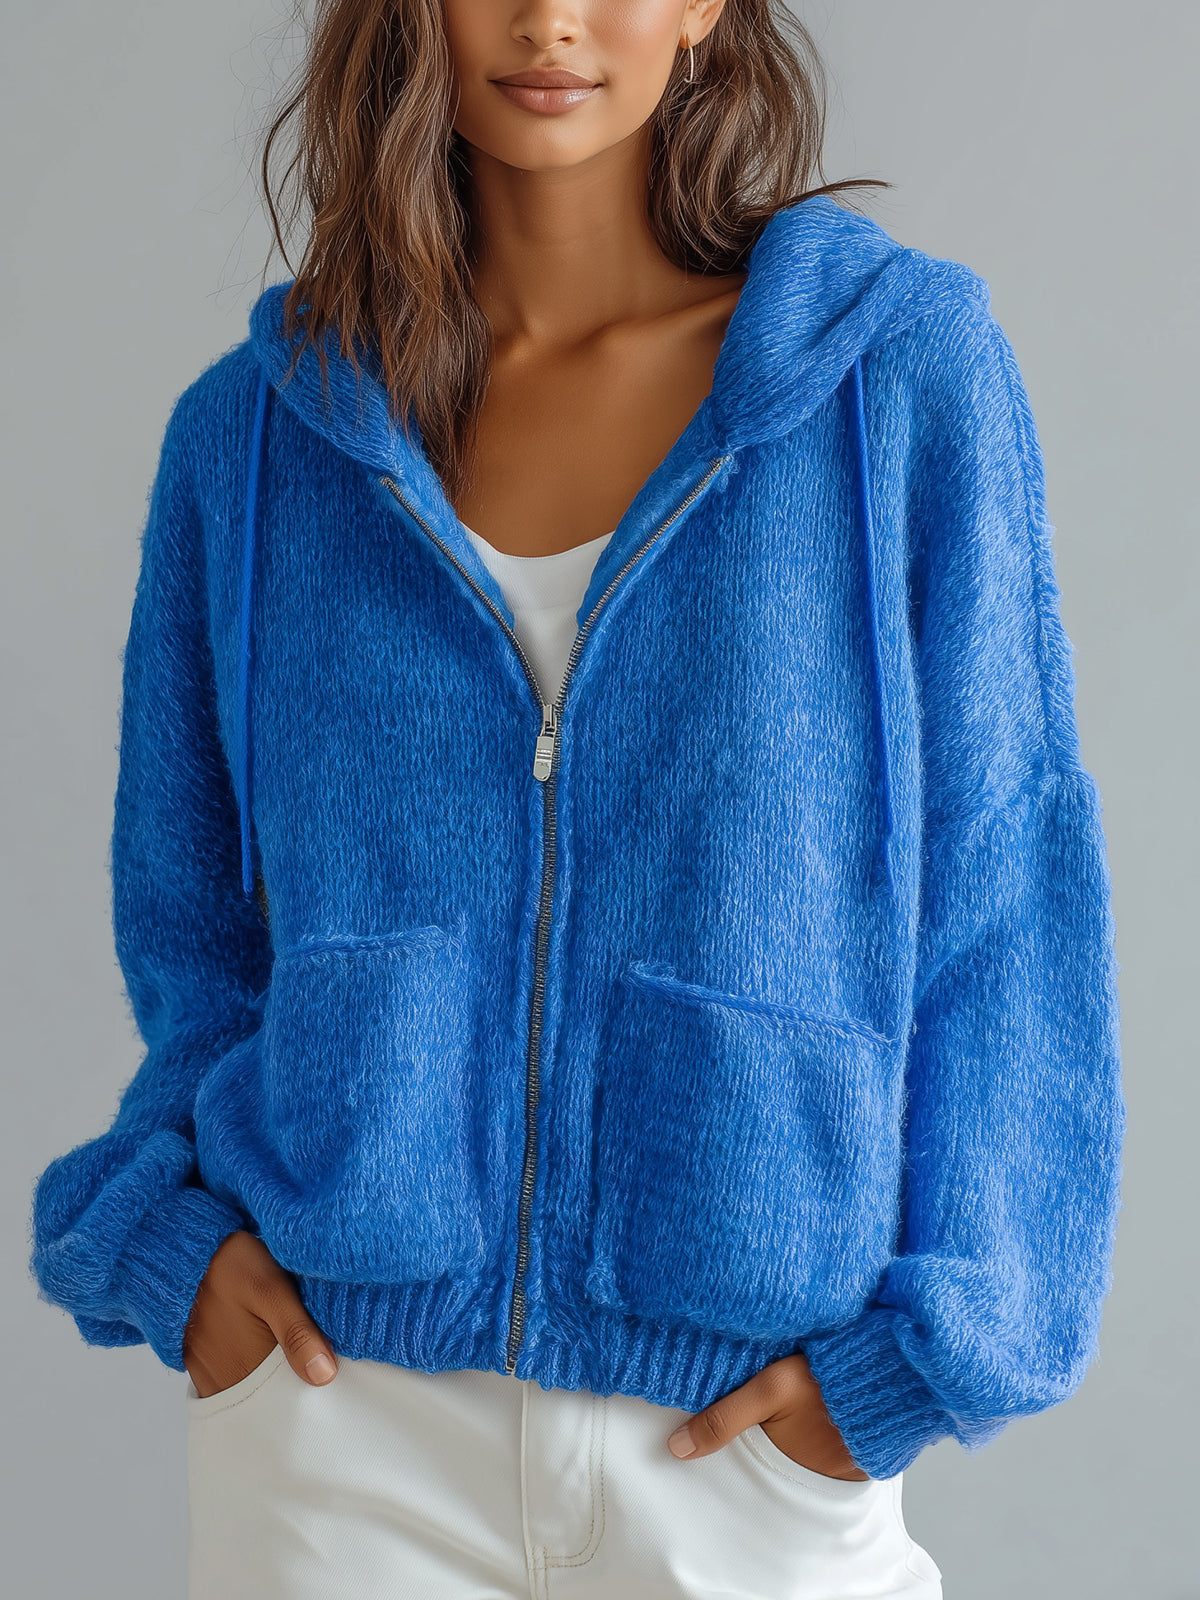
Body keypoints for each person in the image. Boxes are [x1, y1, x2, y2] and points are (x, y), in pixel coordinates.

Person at [28, 0, 1125, 1595]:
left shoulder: (894, 379)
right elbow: (191, 927)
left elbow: (1007, 895)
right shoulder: (256, 436)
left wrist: (930, 1361)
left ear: (704, 10)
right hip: (340, 1441)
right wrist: (166, 1251)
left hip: (746, 1446)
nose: (549, 19)